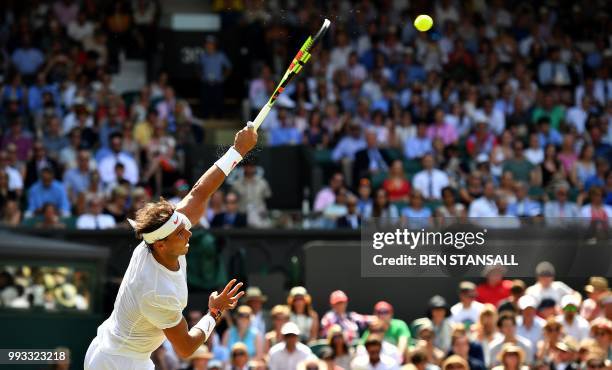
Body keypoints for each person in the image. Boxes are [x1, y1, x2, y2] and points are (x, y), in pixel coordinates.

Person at [84, 122, 257, 369]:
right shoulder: (157, 291)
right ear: (162, 245)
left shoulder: (155, 240)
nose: (188, 232)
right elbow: (186, 347)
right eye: (180, 233)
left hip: (110, 350)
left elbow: (199, 192)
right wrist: (214, 313)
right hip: (119, 363)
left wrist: (237, 150)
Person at [198, 35, 232, 118]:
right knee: (205, 103)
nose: (208, 45)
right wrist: (201, 77)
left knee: (218, 103)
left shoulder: (221, 56)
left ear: (214, 45)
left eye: (210, 44)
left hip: (217, 83)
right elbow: (198, 67)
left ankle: (219, 119)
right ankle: (205, 119)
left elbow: (229, 67)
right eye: (207, 43)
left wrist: (223, 78)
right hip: (206, 83)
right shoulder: (203, 56)